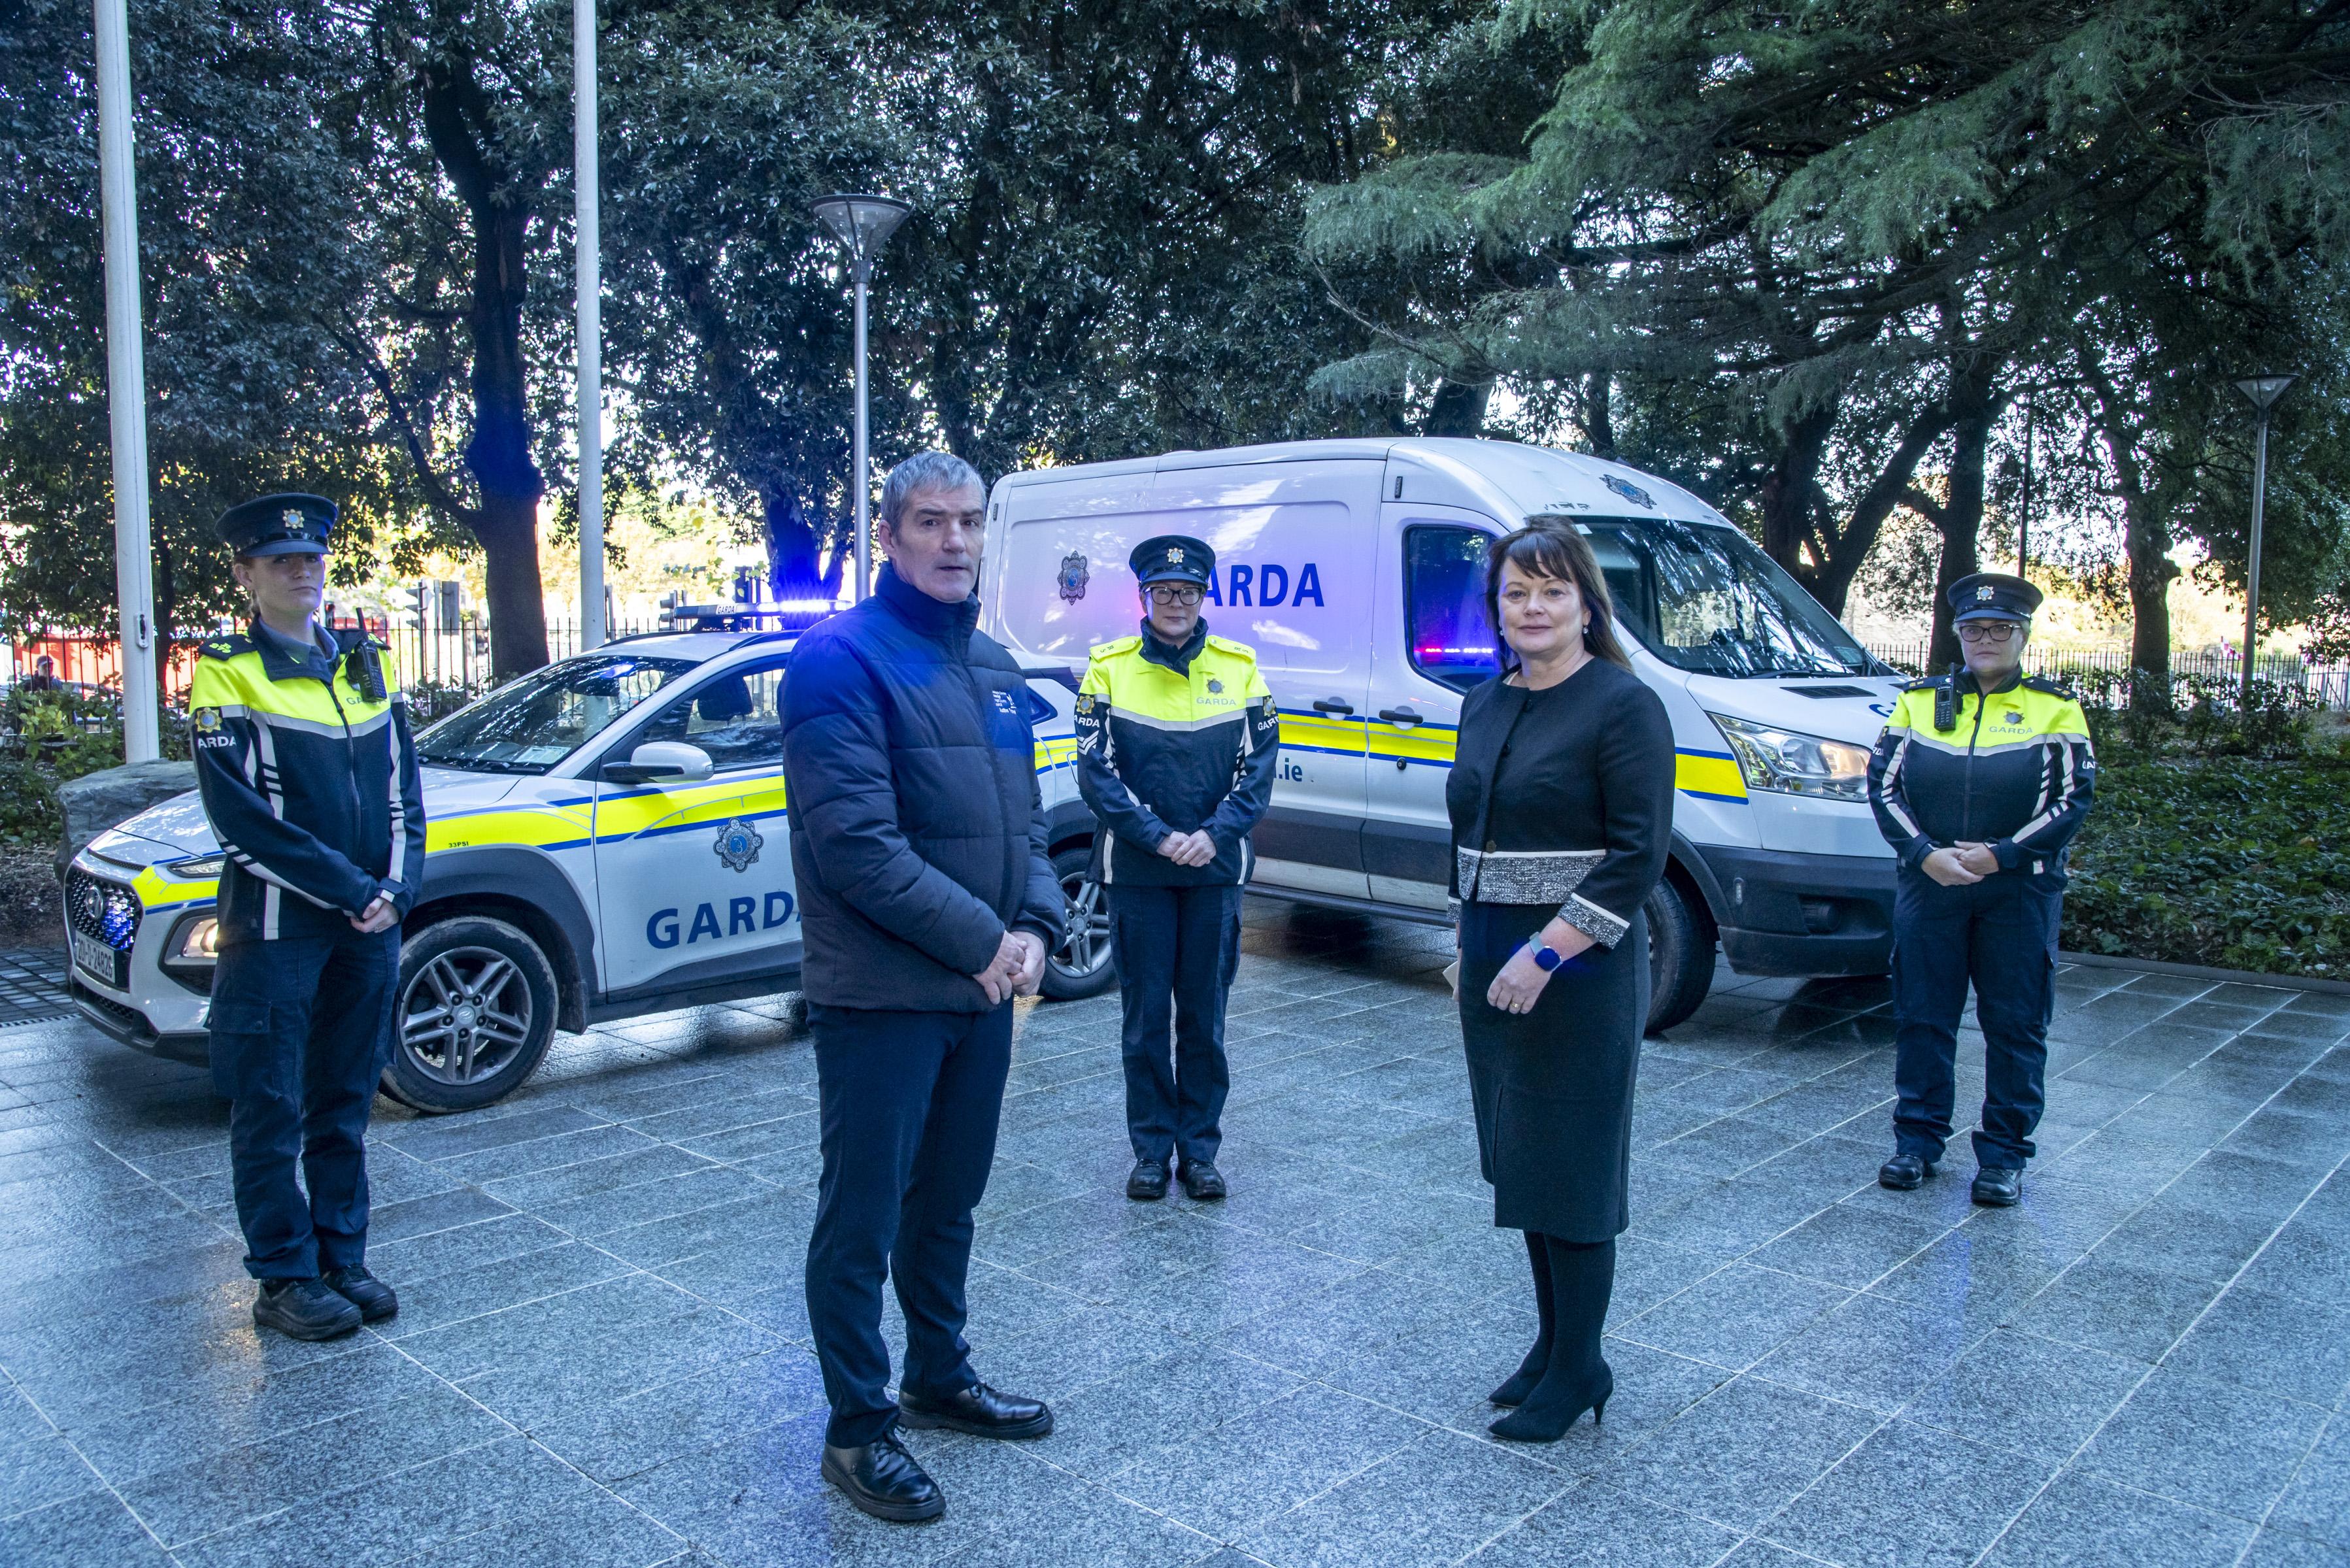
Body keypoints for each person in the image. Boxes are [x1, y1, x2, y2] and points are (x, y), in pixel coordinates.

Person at [782, 451, 1066, 1524]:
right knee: (862, 1213)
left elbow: (1028, 819)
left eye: (970, 523)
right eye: (931, 523)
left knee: (949, 1197)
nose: (955, 541)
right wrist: (987, 940)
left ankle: (937, 1374)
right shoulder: (836, 661)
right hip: (882, 992)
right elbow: (856, 843)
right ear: (889, 537)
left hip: (980, 989)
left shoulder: (992, 664)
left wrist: (1036, 925)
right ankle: (859, 1428)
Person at [1447, 522, 1674, 1444]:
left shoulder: (1623, 705)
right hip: (1489, 955)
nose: (1530, 608)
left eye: (1549, 591)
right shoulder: (1482, 702)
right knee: (1522, 1152)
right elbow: (1462, 831)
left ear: (1585, 603)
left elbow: (1636, 854)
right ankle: (1553, 1344)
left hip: (1573, 968)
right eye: (1513, 592)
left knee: (1572, 1160)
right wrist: (1463, 934)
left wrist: (1546, 949)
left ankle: (1581, 1364)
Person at [188, 493, 426, 1341]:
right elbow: (243, 820)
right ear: (247, 574)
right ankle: (283, 1275)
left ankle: (341, 1257)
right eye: (280, 558)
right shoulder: (226, 670)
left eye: (312, 556)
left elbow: (406, 792)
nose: (301, 569)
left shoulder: (366, 661)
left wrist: (396, 890)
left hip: (368, 925)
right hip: (281, 929)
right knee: (270, 1103)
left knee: (344, 1097)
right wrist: (353, 889)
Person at [1866, 572, 2096, 1207]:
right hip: (1931, 885)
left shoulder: (2055, 707)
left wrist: (2002, 855)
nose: (1986, 638)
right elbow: (1882, 785)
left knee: (2016, 1023)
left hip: (2018, 892)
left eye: (2000, 629)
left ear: (2022, 635)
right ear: (1958, 634)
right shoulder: (1917, 701)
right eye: (1974, 628)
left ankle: (2003, 1156)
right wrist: (1923, 854)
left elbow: (2073, 799)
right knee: (1922, 1015)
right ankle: (1916, 1142)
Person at [1075, 535, 1279, 1203]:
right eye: (1163, 590)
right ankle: (1149, 1151)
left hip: (1213, 874)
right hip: (1139, 873)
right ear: (1143, 596)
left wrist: (1211, 836)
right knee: (1142, 1022)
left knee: (1203, 1019)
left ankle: (1198, 1152)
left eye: (1187, 591)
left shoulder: (1241, 668)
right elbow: (1096, 773)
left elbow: (1258, 773)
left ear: (1203, 597)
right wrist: (1161, 838)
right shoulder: (1106, 669)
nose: (1175, 602)